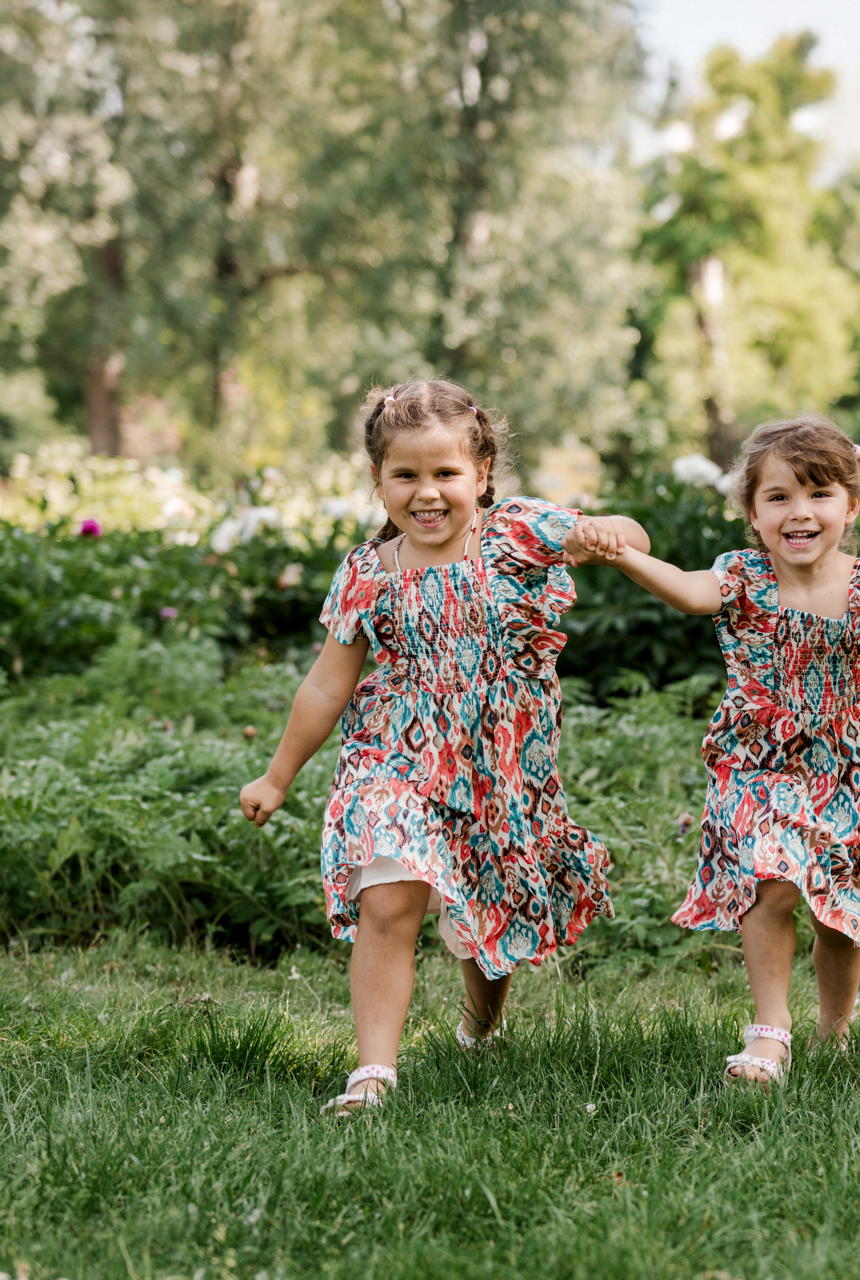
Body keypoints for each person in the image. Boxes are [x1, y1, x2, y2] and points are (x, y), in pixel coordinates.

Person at [238, 378, 643, 1114]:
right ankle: (372, 1075)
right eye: (406, 475)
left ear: (482, 476)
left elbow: (634, 536)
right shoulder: (369, 574)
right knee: (387, 898)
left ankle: (482, 1028)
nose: (428, 493)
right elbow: (327, 686)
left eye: (446, 474)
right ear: (378, 481)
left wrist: (604, 533)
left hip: (498, 766)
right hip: (393, 755)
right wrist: (277, 776)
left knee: (486, 902)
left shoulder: (518, 535)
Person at [567, 415, 860, 1082]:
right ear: (753, 515)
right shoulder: (743, 577)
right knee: (769, 875)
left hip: (852, 766)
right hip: (760, 757)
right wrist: (621, 552)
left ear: (849, 505)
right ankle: (769, 1033)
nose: (799, 512)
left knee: (841, 909)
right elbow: (688, 591)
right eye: (778, 497)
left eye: (818, 494)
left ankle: (834, 1029)